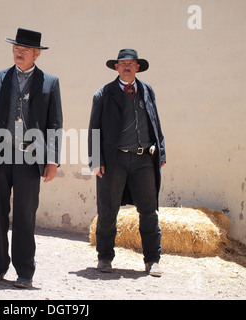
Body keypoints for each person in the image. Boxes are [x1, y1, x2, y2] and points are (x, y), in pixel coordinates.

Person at [0, 28, 63, 288]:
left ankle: (25, 271)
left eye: (24, 50)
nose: (18, 52)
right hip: (0, 156)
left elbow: (55, 124)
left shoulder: (50, 82)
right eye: (15, 48)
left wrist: (53, 160)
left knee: (25, 215)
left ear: (36, 54)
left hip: (30, 158)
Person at [88, 48, 166, 277]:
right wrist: (96, 160)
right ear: (116, 67)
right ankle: (104, 258)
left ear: (138, 67)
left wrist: (160, 153)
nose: (127, 67)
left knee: (149, 211)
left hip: (143, 160)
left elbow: (155, 122)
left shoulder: (147, 90)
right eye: (122, 63)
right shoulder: (103, 94)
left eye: (131, 63)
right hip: (114, 161)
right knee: (107, 210)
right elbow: (94, 129)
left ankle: (153, 260)